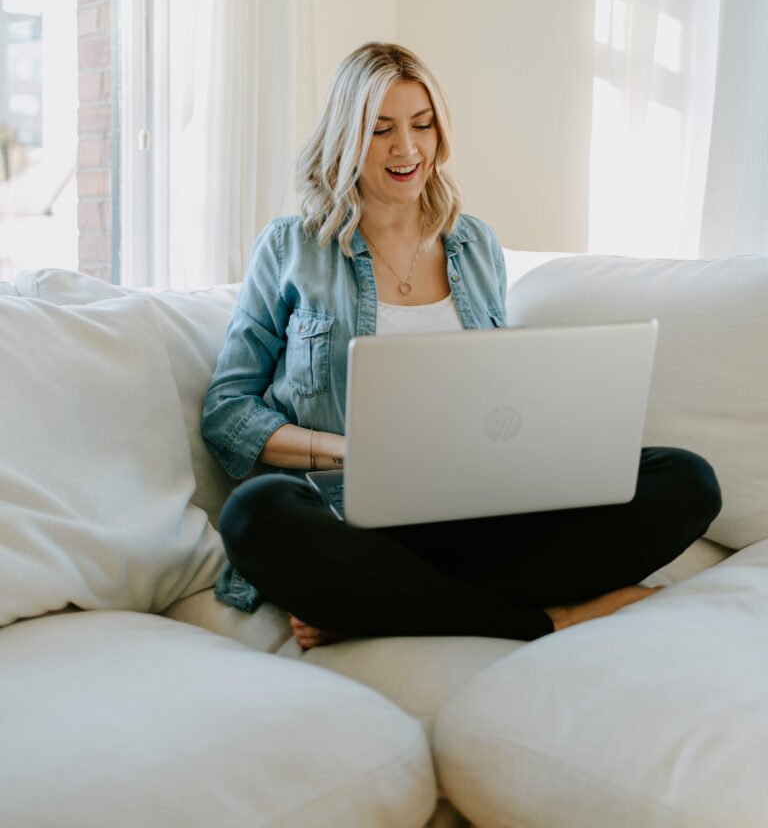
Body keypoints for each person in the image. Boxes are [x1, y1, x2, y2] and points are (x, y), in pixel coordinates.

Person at [202, 42, 721, 649]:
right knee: (255, 514)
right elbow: (228, 412)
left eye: (423, 125)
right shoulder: (292, 247)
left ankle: (380, 606)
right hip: (352, 518)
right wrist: (350, 451)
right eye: (381, 129)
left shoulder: (475, 245)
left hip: (480, 514)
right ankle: (548, 619)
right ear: (345, 138)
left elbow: (496, 388)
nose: (408, 148)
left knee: (687, 480)